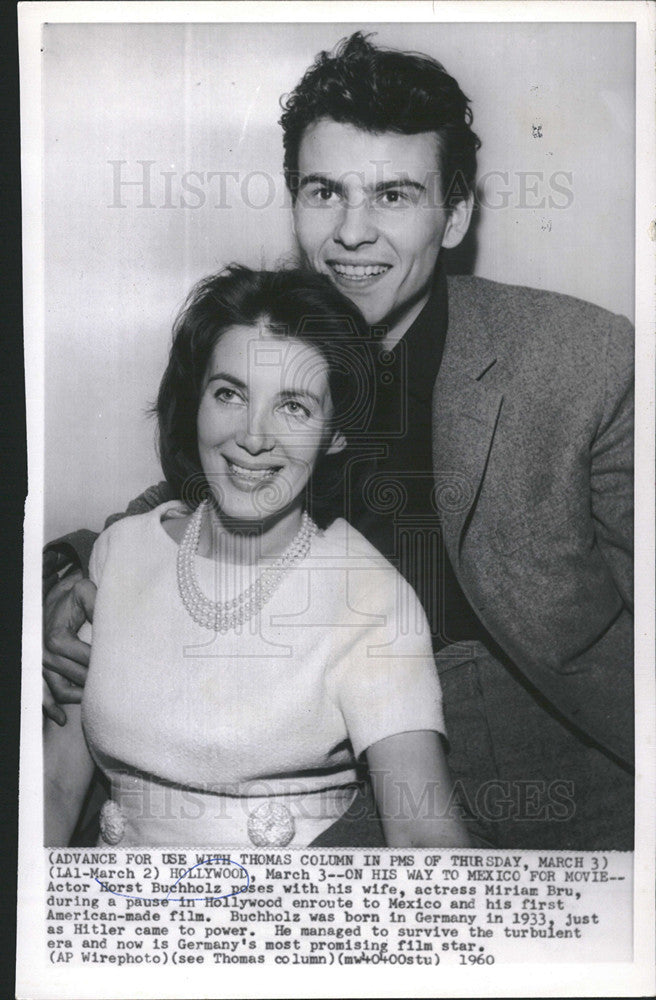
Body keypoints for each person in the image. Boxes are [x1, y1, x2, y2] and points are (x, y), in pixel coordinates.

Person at [43, 33, 634, 849]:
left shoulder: (585, 361)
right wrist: (71, 566)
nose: (352, 234)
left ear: (455, 214)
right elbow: (196, 482)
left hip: (568, 765)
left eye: (393, 196)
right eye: (325, 192)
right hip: (359, 779)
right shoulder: (282, 350)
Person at [44, 265, 471, 849]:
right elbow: (53, 788)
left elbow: (426, 841)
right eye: (229, 393)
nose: (252, 436)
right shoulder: (121, 552)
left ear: (335, 434)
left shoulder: (368, 595)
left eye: (293, 407)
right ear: (195, 402)